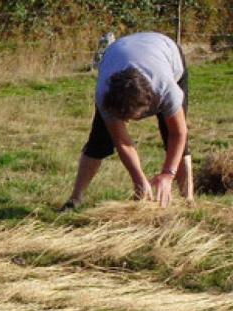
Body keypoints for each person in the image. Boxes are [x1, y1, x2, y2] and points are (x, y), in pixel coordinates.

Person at [62, 32, 193, 212]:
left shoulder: (166, 89)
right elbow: (122, 141)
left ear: (149, 104)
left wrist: (167, 175)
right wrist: (138, 178)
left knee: (176, 140)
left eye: (132, 117)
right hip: (120, 53)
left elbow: (179, 133)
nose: (129, 123)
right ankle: (75, 199)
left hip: (165, 51)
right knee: (99, 141)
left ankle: (188, 201)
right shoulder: (105, 94)